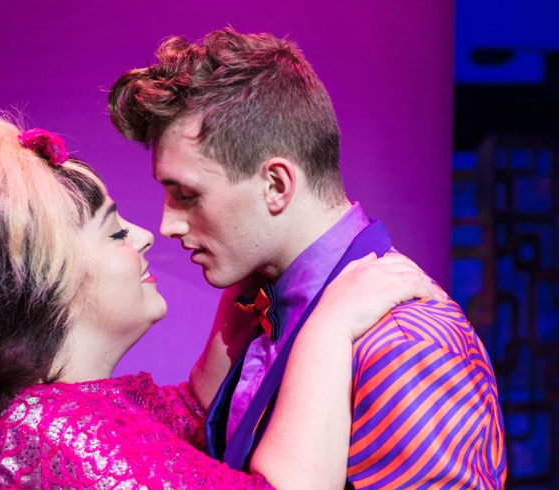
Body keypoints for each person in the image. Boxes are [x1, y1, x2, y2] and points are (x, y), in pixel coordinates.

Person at [0, 110, 441, 489]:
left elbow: (186, 420)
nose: (147, 234)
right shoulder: (46, 436)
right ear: (48, 282)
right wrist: (329, 329)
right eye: (113, 233)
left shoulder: (39, 414)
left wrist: (246, 273)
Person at [108, 28, 507, 489]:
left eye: (188, 194)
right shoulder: (259, 301)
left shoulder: (404, 343)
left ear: (276, 185)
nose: (167, 225)